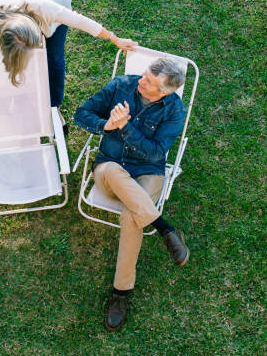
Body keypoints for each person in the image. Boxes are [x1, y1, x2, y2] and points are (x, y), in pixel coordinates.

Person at [73, 57, 190, 331]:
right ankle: (164, 228)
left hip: (147, 173)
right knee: (113, 171)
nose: (141, 81)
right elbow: (82, 114)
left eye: (149, 82)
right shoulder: (122, 85)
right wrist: (108, 126)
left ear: (165, 92)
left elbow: (154, 153)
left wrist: (125, 127)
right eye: (144, 75)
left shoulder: (175, 109)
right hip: (109, 170)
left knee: (132, 215)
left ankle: (120, 294)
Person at [0, 0, 137, 133]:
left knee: (53, 59)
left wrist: (115, 39)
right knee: (23, 63)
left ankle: (53, 108)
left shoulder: (47, 8)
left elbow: (81, 21)